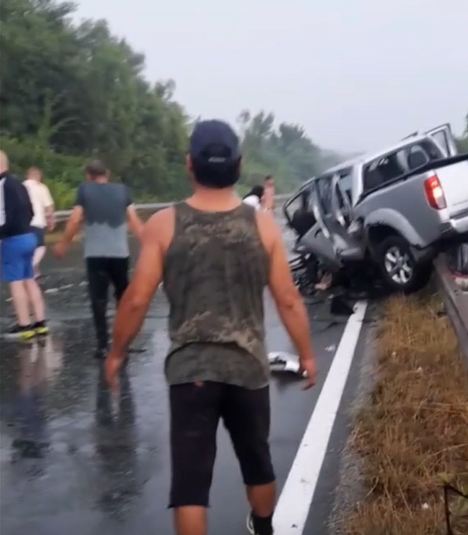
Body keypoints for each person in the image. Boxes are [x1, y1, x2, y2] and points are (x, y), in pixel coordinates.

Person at [104, 119, 317, 535]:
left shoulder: (164, 225)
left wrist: (116, 353)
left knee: (190, 485)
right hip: (248, 368)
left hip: (190, 372)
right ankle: (263, 526)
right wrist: (306, 353)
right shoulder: (263, 226)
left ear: (189, 165)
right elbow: (288, 298)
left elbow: (136, 298)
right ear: (239, 166)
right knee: (257, 462)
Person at [53, 160, 144, 358]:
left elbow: (76, 218)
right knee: (123, 299)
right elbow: (134, 221)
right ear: (107, 173)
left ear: (88, 175)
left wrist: (63, 243)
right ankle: (124, 344)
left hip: (95, 255)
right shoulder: (123, 190)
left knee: (98, 301)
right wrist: (148, 245)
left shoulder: (85, 190)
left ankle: (103, 346)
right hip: (120, 254)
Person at [0, 151, 49, 340]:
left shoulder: (2, 186)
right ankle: (40, 322)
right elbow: (29, 211)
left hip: (13, 238)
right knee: (29, 277)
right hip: (29, 236)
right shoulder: (19, 184)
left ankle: (24, 325)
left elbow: (5, 216)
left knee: (16, 281)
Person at [23, 167, 56, 278]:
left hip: (21, 224)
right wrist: (51, 220)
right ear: (39, 177)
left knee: (26, 247)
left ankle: (32, 271)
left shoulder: (20, 186)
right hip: (37, 222)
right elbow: (49, 206)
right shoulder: (41, 187)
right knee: (40, 246)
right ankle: (32, 266)